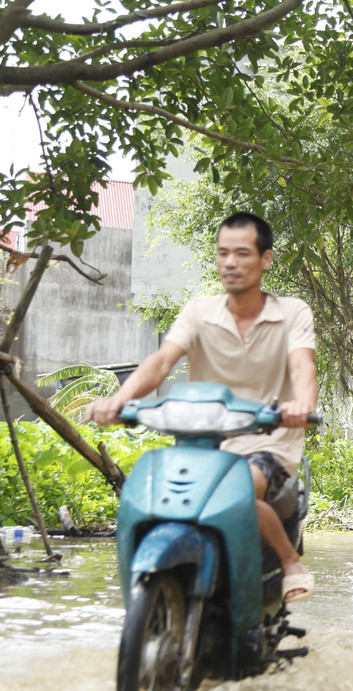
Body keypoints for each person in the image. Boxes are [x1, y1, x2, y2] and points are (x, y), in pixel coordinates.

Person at [90, 212, 319, 603]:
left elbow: (302, 365)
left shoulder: (292, 312)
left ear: (266, 259)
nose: (230, 263)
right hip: (205, 442)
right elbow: (162, 362)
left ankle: (290, 561)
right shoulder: (199, 311)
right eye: (223, 253)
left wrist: (301, 406)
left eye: (242, 254)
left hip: (270, 440)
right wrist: (119, 399)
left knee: (240, 490)